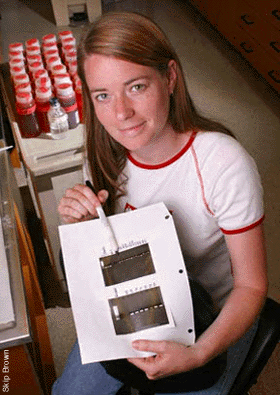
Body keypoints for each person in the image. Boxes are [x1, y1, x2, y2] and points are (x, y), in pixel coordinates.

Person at [53, 11, 268, 395]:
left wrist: (199, 354)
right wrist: (82, 225)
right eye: (103, 95)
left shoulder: (222, 164)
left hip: (208, 316)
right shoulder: (102, 153)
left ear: (170, 77)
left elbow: (251, 286)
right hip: (135, 302)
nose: (121, 114)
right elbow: (101, 269)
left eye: (136, 86)